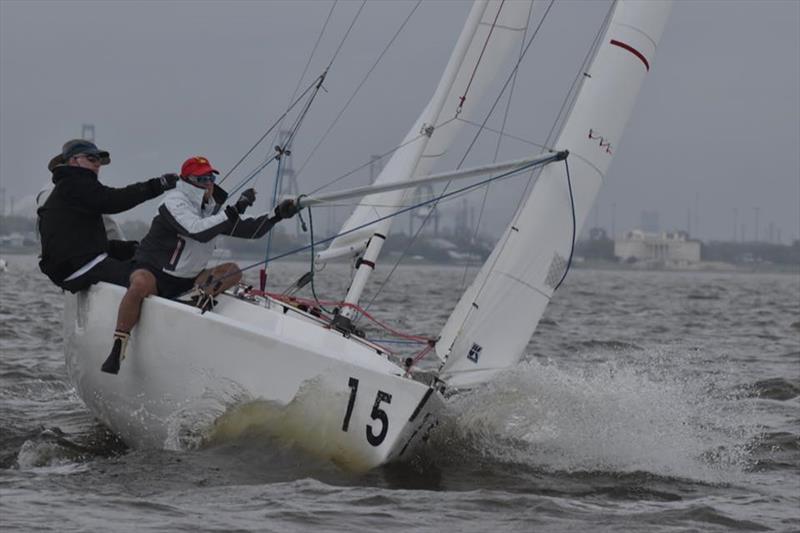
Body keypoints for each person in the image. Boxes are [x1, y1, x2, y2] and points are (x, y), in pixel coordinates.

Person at [101, 155, 299, 374]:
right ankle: (118, 348)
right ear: (187, 181)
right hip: (155, 272)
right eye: (203, 178)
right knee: (138, 284)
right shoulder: (173, 202)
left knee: (232, 271)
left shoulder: (212, 209)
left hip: (189, 279)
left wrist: (277, 215)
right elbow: (198, 231)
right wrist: (234, 210)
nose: (209, 183)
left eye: (211, 177)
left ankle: (193, 304)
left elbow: (249, 230)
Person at [37, 139, 178, 292]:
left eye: (99, 160)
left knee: (135, 255)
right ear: (73, 161)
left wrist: (132, 248)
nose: (97, 164)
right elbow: (114, 200)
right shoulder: (76, 184)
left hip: (68, 268)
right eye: (91, 159)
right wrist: (159, 184)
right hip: (80, 267)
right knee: (147, 277)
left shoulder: (66, 187)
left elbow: (81, 243)